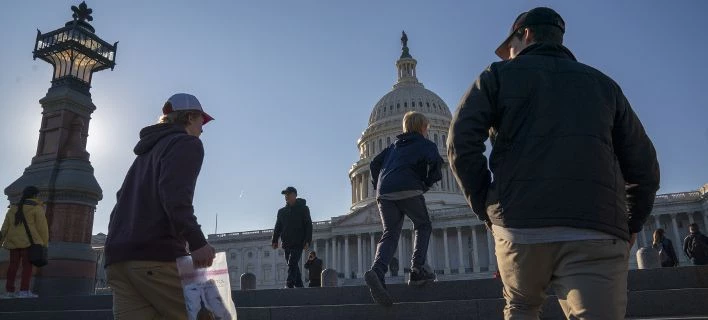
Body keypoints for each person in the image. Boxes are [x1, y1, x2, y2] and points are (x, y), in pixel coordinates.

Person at [447, 7, 660, 320]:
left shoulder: (497, 76)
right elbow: (644, 166)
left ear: (527, 35)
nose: (509, 54)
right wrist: (632, 223)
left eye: (511, 46)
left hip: (520, 225)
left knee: (521, 308)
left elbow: (458, 144)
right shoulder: (604, 85)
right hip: (596, 226)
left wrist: (487, 207)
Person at [104, 93, 217, 319]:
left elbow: (119, 202)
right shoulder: (187, 143)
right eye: (201, 121)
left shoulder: (143, 155)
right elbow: (175, 196)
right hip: (155, 256)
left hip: (118, 261)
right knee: (208, 314)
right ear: (189, 117)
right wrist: (196, 241)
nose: (203, 129)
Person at [364, 111, 442, 306]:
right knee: (423, 225)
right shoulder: (426, 144)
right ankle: (417, 270)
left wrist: (378, 185)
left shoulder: (393, 146)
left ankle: (377, 272)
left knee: (390, 233)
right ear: (422, 128)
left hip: (385, 193)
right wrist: (425, 183)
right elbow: (436, 165)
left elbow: (374, 163)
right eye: (426, 128)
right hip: (409, 189)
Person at [0, 186, 48, 298]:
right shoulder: (37, 208)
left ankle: (9, 291)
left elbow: (4, 228)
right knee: (27, 267)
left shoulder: (12, 208)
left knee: (12, 267)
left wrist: (1, 242)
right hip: (29, 243)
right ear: (35, 195)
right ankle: (24, 291)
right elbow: (42, 228)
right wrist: (44, 244)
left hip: (13, 242)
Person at [272, 186, 312, 288]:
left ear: (294, 195)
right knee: (293, 266)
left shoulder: (303, 209)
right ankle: (299, 286)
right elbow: (278, 226)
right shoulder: (281, 212)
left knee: (292, 263)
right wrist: (275, 240)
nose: (286, 196)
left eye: (288, 194)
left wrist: (307, 240)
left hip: (299, 242)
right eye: (285, 194)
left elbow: (308, 225)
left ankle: (289, 284)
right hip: (286, 243)